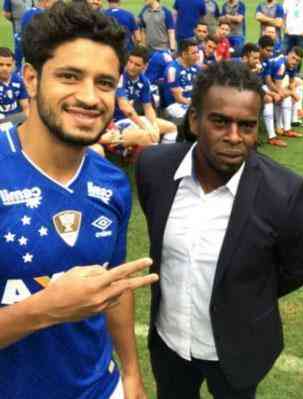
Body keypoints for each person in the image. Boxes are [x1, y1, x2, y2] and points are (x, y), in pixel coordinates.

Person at [0, 3, 159, 398]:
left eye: (105, 83)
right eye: (70, 76)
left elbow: (113, 286)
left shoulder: (112, 182)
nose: (89, 97)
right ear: (32, 79)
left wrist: (132, 373)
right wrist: (43, 310)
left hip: (101, 388)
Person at [136, 60, 303, 399]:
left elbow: (301, 267)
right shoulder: (154, 168)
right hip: (169, 343)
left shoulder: (285, 192)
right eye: (220, 122)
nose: (234, 137)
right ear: (194, 120)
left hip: (237, 352)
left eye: (247, 126)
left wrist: (246, 293)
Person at [104, 45, 177, 150]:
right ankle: (156, 162)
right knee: (150, 137)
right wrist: (145, 127)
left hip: (132, 121)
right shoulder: (119, 76)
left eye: (137, 64)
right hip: (114, 123)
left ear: (145, 66)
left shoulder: (144, 81)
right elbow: (125, 107)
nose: (131, 66)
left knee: (171, 128)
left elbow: (148, 108)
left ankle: (164, 158)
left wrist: (153, 124)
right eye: (130, 61)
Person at [160, 38, 199, 121]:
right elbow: (179, 98)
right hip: (175, 106)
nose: (197, 56)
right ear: (184, 54)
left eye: (197, 52)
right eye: (194, 53)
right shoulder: (172, 70)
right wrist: (197, 105)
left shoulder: (195, 67)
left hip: (190, 102)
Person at [0, 47, 29, 126]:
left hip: (15, 122)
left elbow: (26, 109)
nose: (4, 68)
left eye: (8, 65)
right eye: (1, 64)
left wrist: (10, 121)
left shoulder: (18, 81)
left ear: (13, 65)